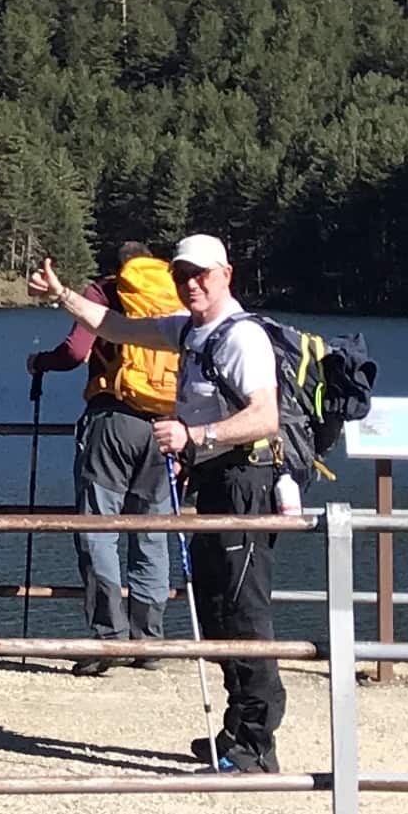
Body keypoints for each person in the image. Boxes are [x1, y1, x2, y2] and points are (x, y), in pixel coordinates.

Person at [150, 231, 286, 776]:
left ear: (226, 273)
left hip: (244, 484)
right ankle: (235, 734)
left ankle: (257, 745)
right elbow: (115, 326)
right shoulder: (190, 332)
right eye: (182, 274)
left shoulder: (242, 338)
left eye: (201, 273)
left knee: (245, 610)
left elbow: (265, 418)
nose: (190, 283)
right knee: (215, 605)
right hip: (214, 482)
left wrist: (194, 438)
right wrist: (65, 296)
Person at [21, 246, 191, 651]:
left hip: (112, 425)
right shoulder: (174, 293)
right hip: (168, 429)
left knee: (98, 530)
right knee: (152, 534)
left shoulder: (106, 292)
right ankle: (149, 642)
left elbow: (75, 353)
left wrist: (38, 363)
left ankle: (109, 638)